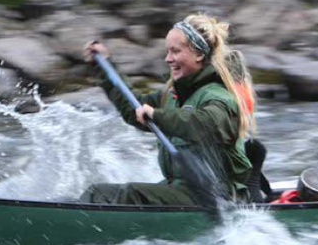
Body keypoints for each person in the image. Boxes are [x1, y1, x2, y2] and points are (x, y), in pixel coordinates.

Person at [80, 13, 257, 205]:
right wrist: (105, 68)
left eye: (175, 51)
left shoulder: (219, 97)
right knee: (99, 193)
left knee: (128, 195)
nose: (168, 59)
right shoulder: (172, 96)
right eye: (167, 51)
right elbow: (135, 110)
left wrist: (157, 116)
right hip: (182, 189)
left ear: (198, 54)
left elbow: (204, 124)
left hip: (216, 196)